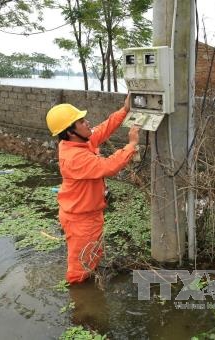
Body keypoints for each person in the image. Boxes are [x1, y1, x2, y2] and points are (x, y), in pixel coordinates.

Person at [46, 96, 140, 283]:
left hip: (86, 214)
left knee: (91, 257)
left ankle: (91, 289)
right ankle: (82, 305)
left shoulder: (77, 142)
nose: (87, 122)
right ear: (70, 131)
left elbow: (102, 129)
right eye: (81, 121)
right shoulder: (75, 157)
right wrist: (131, 145)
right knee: (78, 272)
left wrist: (125, 110)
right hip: (80, 220)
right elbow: (108, 166)